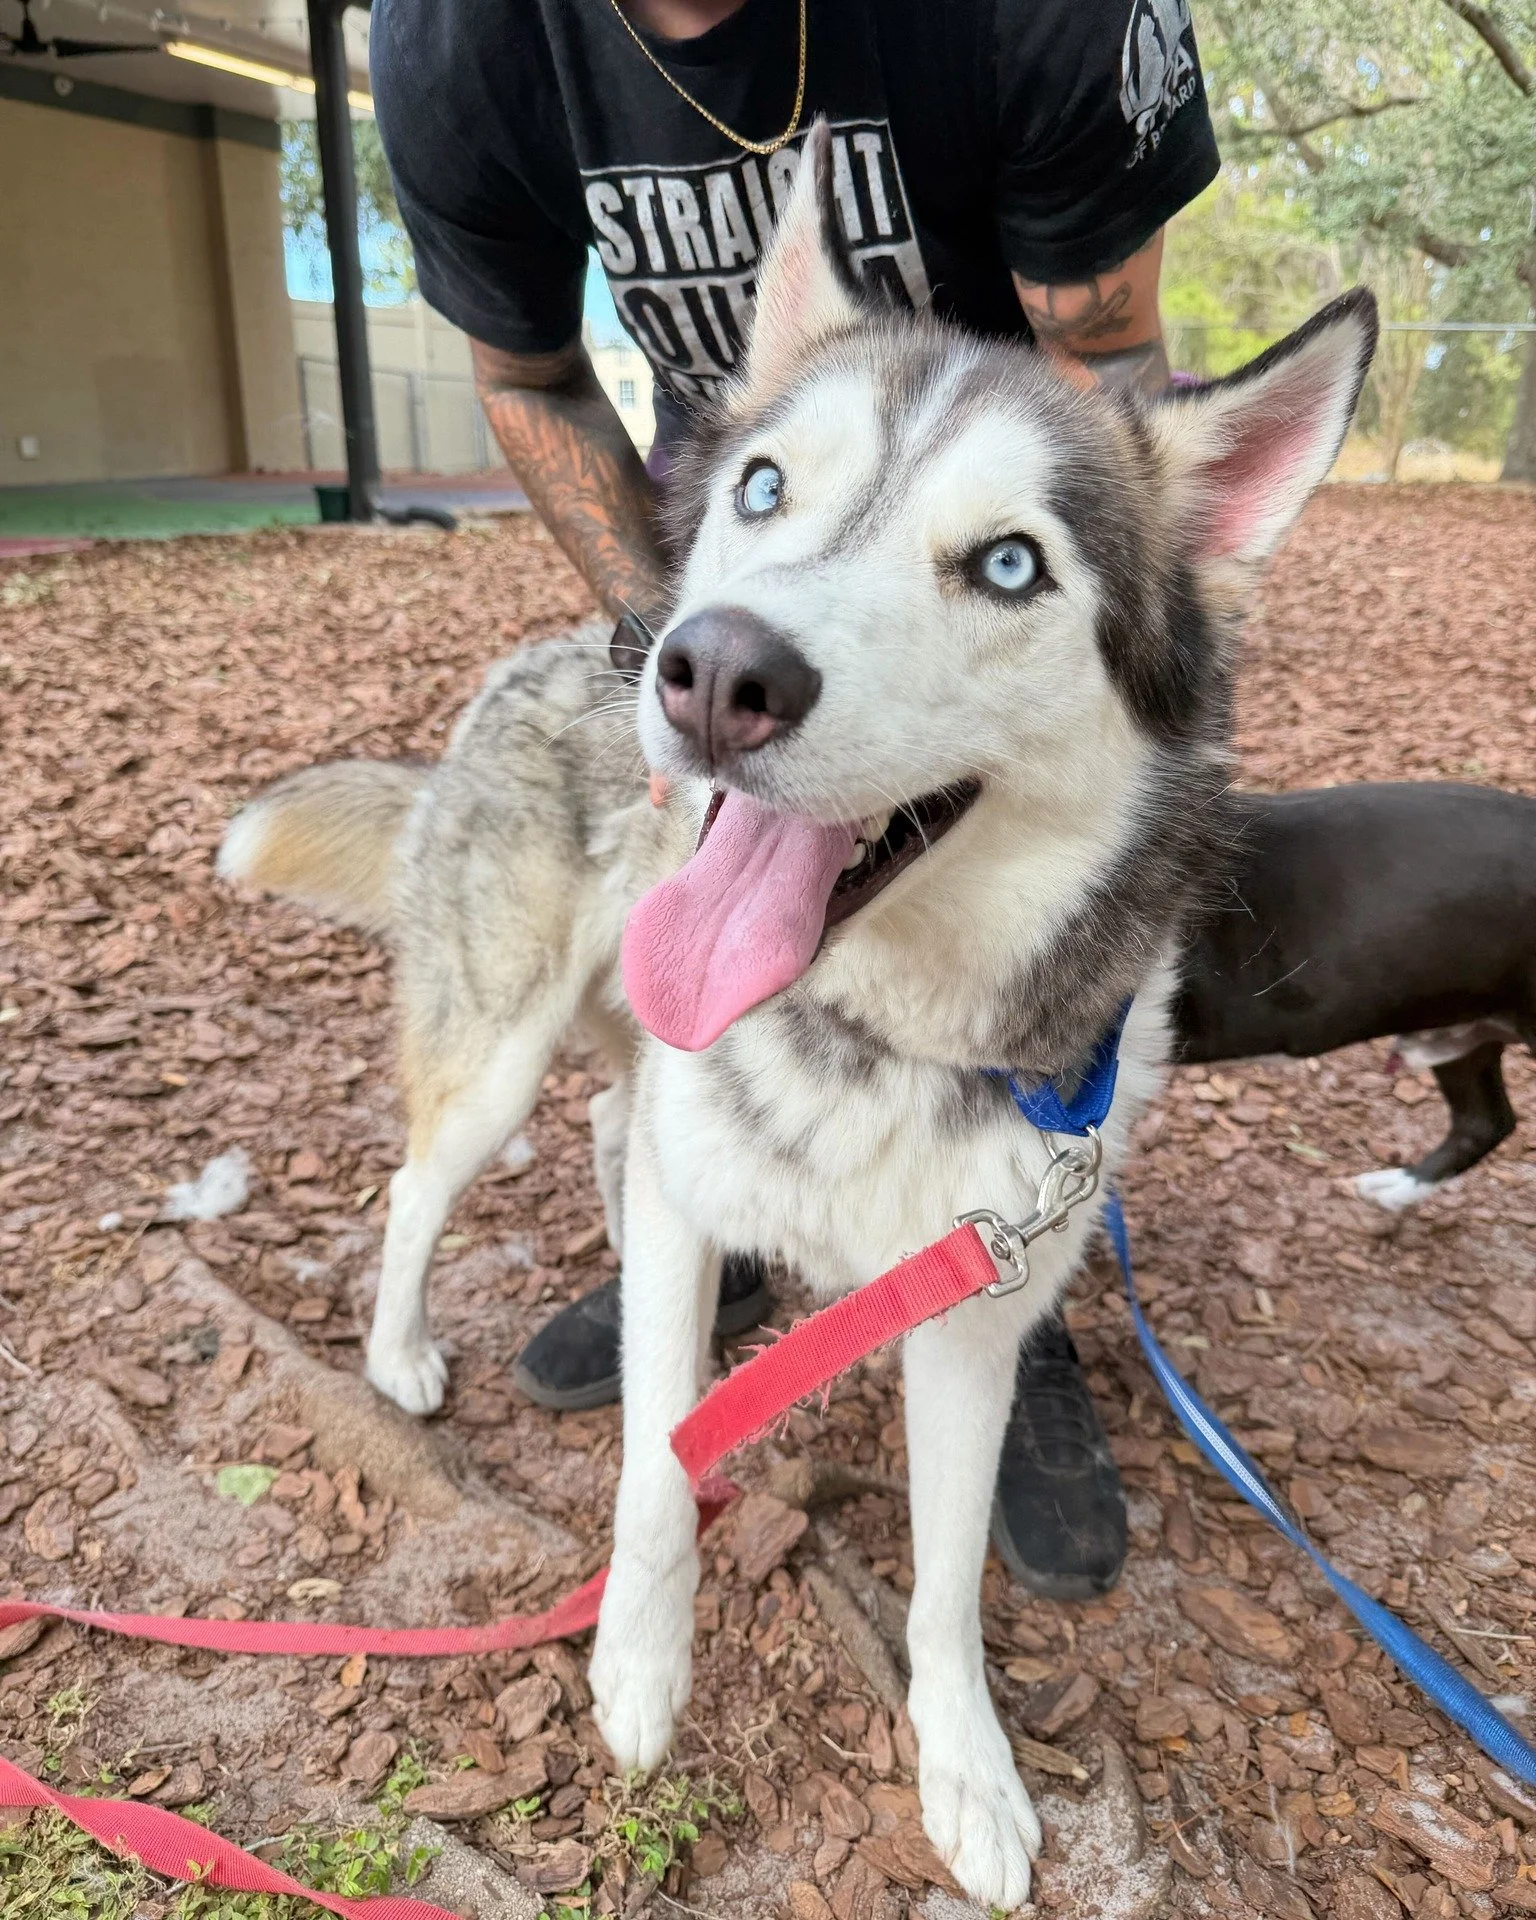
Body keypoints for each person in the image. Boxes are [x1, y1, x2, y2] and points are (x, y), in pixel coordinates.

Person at [371, 0, 1220, 1600]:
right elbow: (531, 374)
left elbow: (1111, 380)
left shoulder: (1039, 19)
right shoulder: (454, 45)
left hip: (984, 590)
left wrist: (1016, 599)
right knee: (665, 1101)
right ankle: (701, 1240)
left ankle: (992, 1306)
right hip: (762, 559)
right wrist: (668, 656)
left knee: (991, 1120)